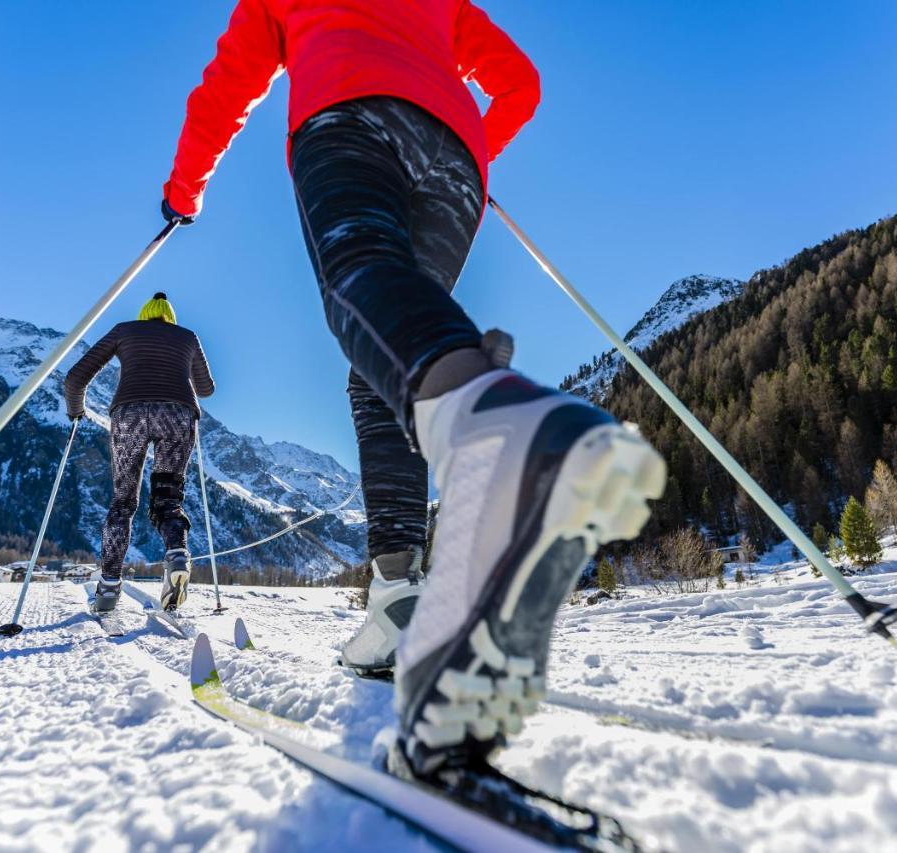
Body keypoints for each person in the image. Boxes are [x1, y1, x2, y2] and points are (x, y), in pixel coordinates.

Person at [161, 0, 665, 777]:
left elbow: (226, 88)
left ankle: (495, 424)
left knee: (360, 278)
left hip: (347, 121)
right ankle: (398, 597)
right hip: (455, 157)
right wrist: (477, 151)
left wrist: (183, 193)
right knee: (385, 358)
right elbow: (521, 84)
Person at [64, 293, 215, 614]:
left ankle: (107, 589)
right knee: (168, 500)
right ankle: (177, 554)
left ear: (144, 314)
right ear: (170, 317)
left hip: (129, 414)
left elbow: (76, 378)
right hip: (179, 414)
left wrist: (76, 411)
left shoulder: (124, 330)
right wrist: (179, 362)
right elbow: (206, 389)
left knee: (122, 503)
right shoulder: (187, 337)